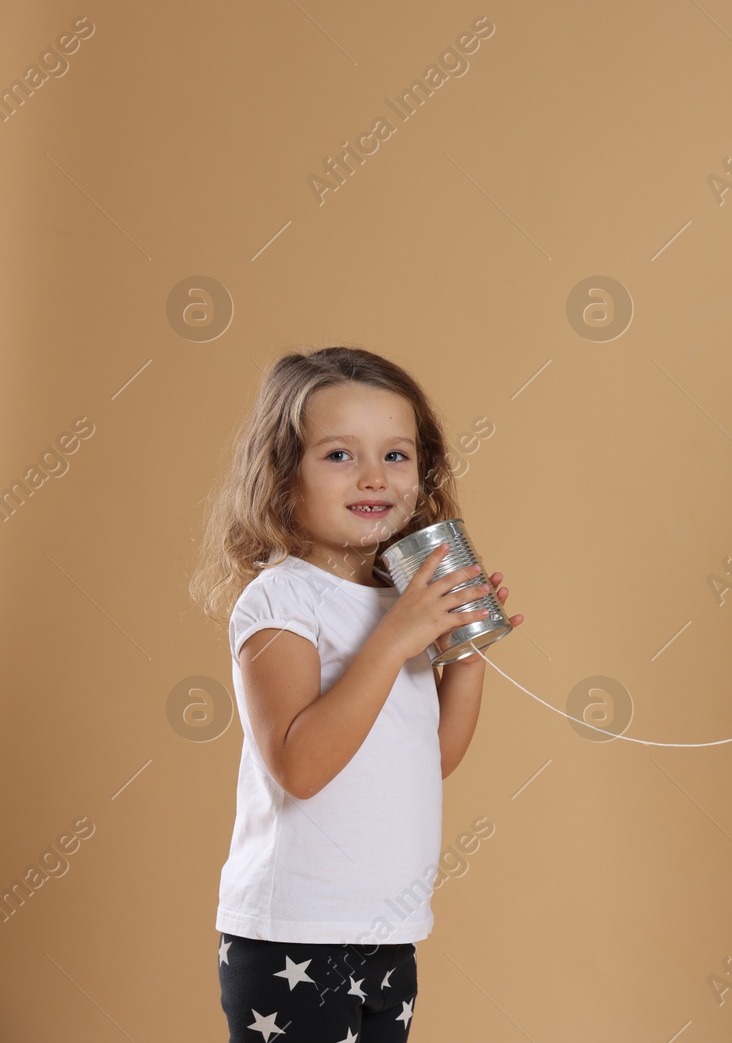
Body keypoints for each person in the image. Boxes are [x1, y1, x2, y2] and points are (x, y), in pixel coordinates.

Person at [189, 346, 525, 1041]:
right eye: (340, 455)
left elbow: (428, 759)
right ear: (282, 476)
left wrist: (465, 658)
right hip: (294, 938)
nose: (374, 475)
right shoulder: (283, 597)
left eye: (396, 455)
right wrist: (398, 637)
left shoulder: (394, 601)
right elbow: (301, 766)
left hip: (388, 930)